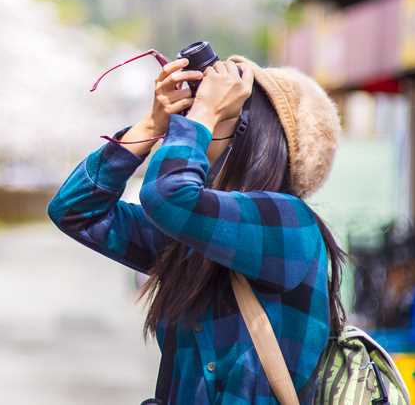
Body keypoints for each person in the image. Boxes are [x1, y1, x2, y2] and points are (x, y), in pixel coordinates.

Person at [47, 55, 347, 405]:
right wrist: (149, 127)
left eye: (225, 112)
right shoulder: (198, 239)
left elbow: (167, 196)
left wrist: (202, 116)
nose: (196, 121)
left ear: (258, 139)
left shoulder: (289, 223)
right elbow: (75, 210)